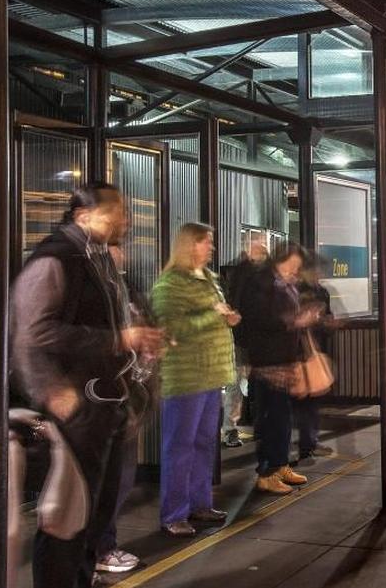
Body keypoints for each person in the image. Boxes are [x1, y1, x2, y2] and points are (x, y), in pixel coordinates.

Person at [11, 181, 165, 588]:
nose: (126, 218)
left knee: (94, 515)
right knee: (68, 519)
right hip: (76, 407)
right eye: (117, 210)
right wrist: (56, 392)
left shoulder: (96, 257)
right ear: (84, 216)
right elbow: (31, 334)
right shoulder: (57, 259)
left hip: (101, 403)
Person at [151, 222, 239, 537]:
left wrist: (228, 318)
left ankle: (200, 504)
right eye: (205, 242)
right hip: (186, 377)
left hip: (212, 375)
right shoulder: (170, 284)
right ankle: (173, 513)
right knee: (180, 447)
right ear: (190, 245)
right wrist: (213, 316)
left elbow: (214, 317)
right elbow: (170, 329)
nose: (211, 248)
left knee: (204, 443)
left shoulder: (210, 280)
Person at [94, 243, 157, 575]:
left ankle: (103, 546)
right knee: (103, 481)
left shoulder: (126, 286)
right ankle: (97, 550)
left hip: (128, 392)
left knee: (120, 477)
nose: (119, 253)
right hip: (101, 396)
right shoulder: (95, 290)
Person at [238, 242, 315, 494]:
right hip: (267, 361)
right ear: (283, 258)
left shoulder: (286, 283)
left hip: (284, 359)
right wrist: (292, 321)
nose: (297, 269)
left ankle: (281, 464)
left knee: (282, 417)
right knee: (270, 416)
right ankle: (266, 471)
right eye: (294, 263)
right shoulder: (261, 281)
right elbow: (256, 318)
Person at [221, 241, 268, 448]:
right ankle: (230, 429)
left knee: (243, 384)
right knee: (236, 384)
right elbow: (238, 304)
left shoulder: (255, 273)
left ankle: (245, 427)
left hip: (253, 340)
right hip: (242, 339)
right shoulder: (242, 272)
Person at [293, 256, 339, 464]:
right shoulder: (296, 291)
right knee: (304, 401)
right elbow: (294, 320)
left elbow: (325, 317)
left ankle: (309, 441)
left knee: (311, 401)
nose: (319, 274)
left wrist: (326, 323)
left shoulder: (322, 292)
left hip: (315, 349)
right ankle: (306, 444)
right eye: (316, 270)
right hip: (300, 353)